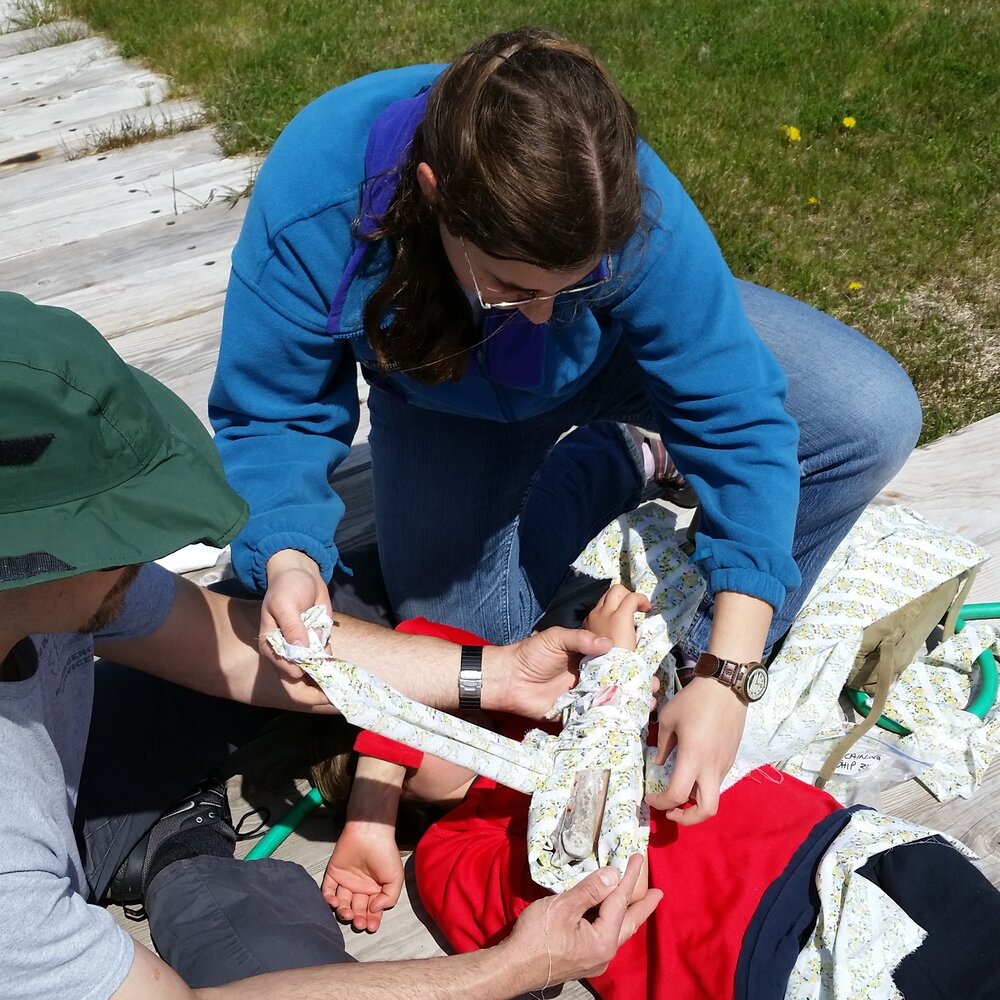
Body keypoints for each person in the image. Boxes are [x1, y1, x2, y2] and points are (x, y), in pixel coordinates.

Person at [209, 25, 922, 824]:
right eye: (514, 285)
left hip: (617, 363)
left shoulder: (617, 193)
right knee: (477, 650)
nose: (544, 315)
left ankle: (699, 647)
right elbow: (272, 413)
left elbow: (737, 415)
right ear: (434, 192)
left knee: (870, 414)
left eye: (576, 282)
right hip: (447, 406)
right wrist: (288, 553)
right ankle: (619, 460)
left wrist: (728, 674)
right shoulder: (318, 196)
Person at [0, 291, 658, 1000]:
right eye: (111, 535)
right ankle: (175, 848)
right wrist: (514, 967)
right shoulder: (9, 874)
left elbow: (226, 637)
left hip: (77, 784)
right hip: (46, 889)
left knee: (345, 601)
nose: (149, 551)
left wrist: (495, 675)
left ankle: (168, 840)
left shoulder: (54, 591)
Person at [323, 590, 1000, 1000]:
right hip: (760, 958)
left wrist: (601, 686)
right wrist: (375, 808)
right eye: (413, 744)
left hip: (849, 850)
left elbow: (426, 651)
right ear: (418, 801)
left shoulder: (554, 697)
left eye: (449, 703)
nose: (450, 719)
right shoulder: (453, 849)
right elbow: (556, 917)